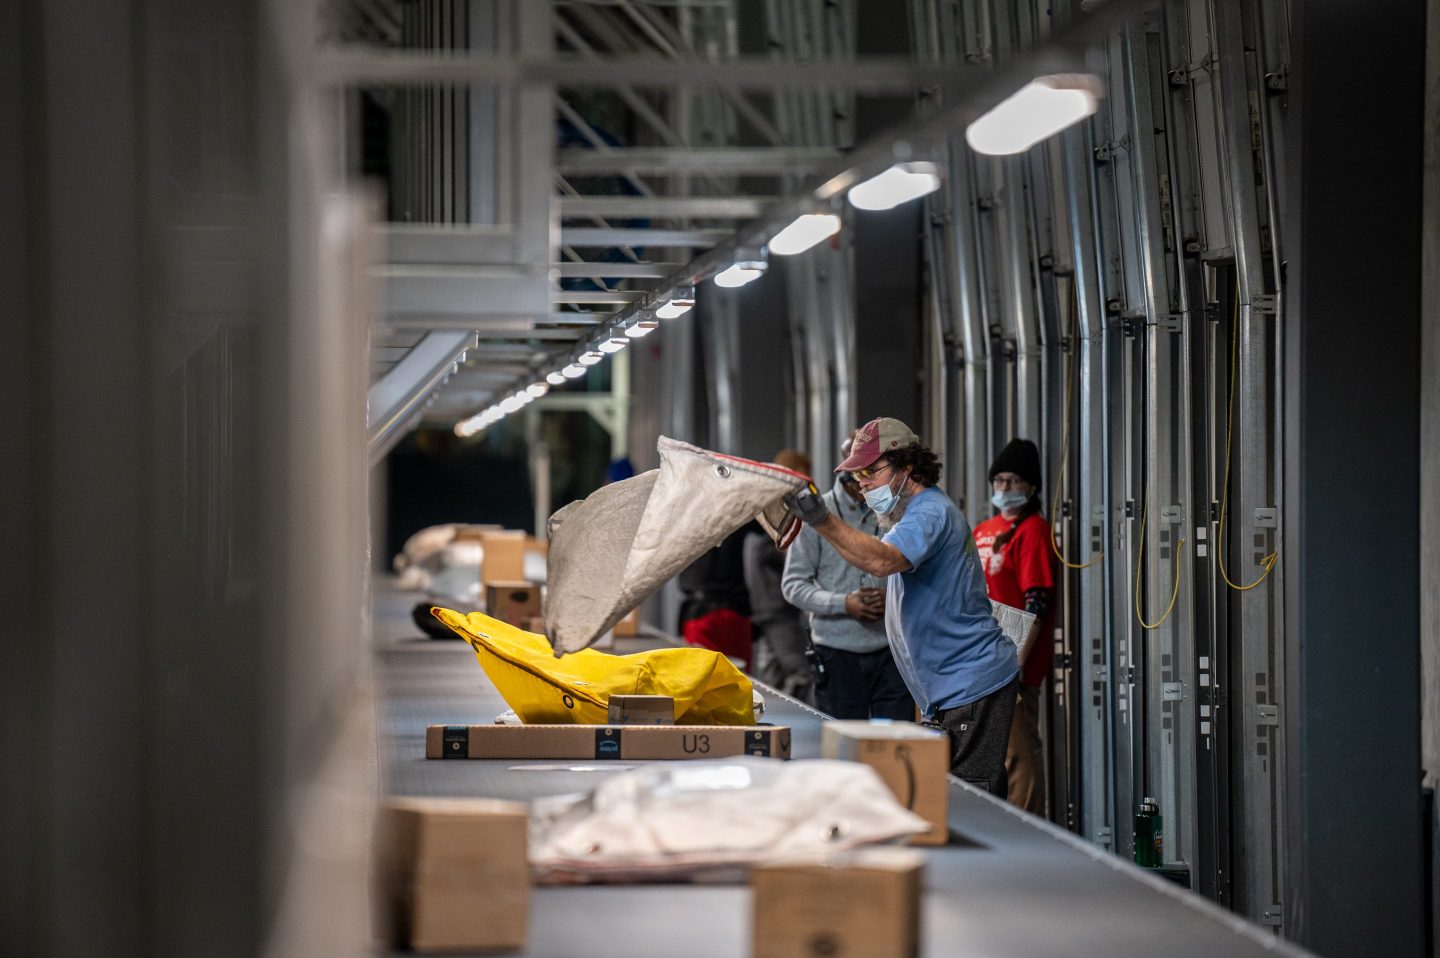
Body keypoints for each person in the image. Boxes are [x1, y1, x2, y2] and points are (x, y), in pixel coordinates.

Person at [785, 417, 1020, 796]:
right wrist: (820, 524)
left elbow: (881, 561)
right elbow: (866, 557)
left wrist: (822, 520)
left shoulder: (929, 511)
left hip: (970, 684)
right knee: (957, 796)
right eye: (858, 474)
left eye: (871, 471)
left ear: (907, 466)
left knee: (971, 799)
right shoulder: (909, 515)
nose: (862, 484)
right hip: (950, 689)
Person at [781, 439, 913, 720]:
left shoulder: (895, 511)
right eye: (863, 474)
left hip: (891, 651)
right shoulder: (816, 515)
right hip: (836, 655)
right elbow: (792, 585)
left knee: (892, 744)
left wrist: (888, 597)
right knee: (843, 746)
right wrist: (844, 603)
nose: (869, 484)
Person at [972, 438, 1056, 817]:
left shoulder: (1034, 530)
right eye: (998, 481)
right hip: (982, 659)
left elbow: (1037, 602)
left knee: (1019, 755)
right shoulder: (983, 529)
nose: (1003, 489)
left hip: (1014, 664)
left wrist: (1015, 664)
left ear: (1031, 486)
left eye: (1013, 481)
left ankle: (1028, 831)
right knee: (992, 754)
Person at [743, 449, 815, 701]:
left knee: (773, 675)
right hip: (777, 610)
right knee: (799, 673)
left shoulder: (761, 505)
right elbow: (784, 555)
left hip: (765, 609)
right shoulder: (777, 509)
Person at [676, 523, 754, 669]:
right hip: (734, 609)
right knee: (738, 679)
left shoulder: (684, 516)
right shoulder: (736, 507)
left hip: (701, 612)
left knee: (702, 678)